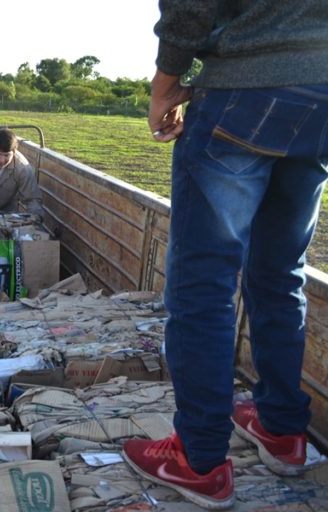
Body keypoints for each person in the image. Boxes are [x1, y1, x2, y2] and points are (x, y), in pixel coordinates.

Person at [122, 1, 328, 510]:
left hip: (247, 90)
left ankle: (201, 460)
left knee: (203, 286)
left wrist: (165, 84)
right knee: (281, 274)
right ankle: (283, 431)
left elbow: (191, 6)